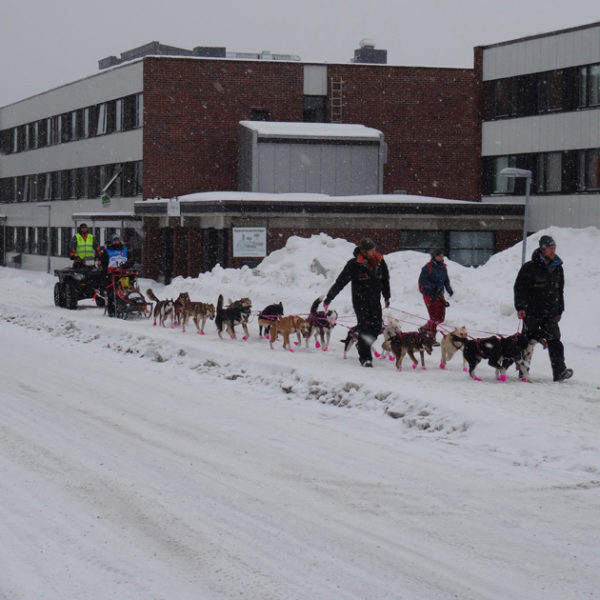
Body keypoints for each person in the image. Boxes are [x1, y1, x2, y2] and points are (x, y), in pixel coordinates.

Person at [323, 238, 391, 367]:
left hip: (375, 301)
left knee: (377, 327)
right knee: (365, 327)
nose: (374, 252)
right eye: (371, 250)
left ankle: (362, 344)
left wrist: (387, 297)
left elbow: (385, 280)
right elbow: (340, 282)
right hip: (360, 302)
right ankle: (365, 358)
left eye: (374, 249)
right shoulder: (354, 264)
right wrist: (329, 298)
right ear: (364, 251)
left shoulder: (380, 262)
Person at [513, 234, 572, 382]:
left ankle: (559, 371)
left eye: (554, 248)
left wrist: (560, 309)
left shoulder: (558, 268)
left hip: (550, 312)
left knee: (555, 340)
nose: (553, 251)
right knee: (528, 341)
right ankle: (523, 371)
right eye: (550, 248)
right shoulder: (529, 267)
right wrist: (521, 307)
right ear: (543, 249)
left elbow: (560, 290)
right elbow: (519, 289)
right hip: (531, 311)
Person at [418, 248, 453, 341]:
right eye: (439, 256)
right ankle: (431, 337)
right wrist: (433, 287)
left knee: (440, 318)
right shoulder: (427, 267)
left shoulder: (443, 267)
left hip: (439, 294)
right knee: (433, 317)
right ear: (434, 257)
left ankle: (425, 328)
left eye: (442, 256)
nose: (442, 258)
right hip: (429, 295)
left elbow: (446, 280)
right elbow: (422, 281)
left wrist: (449, 289)